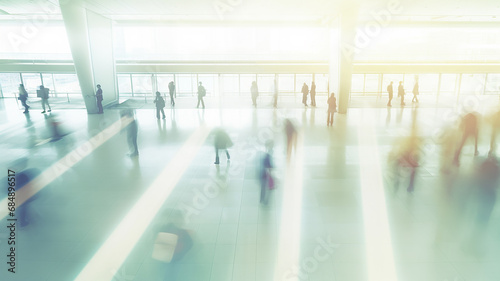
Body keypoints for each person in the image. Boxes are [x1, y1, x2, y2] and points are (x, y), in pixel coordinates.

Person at [259, 140, 274, 205]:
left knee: (264, 187)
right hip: (266, 174)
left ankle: (262, 199)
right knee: (268, 187)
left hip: (264, 174)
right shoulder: (267, 156)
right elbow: (269, 166)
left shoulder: (266, 154)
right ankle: (265, 200)